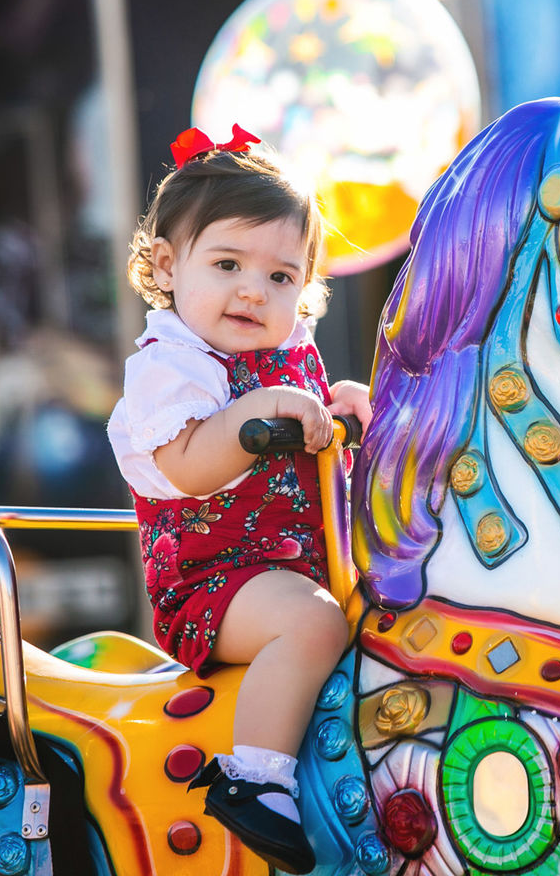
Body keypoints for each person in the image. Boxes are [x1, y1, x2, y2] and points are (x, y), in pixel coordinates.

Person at [107, 124, 369, 874]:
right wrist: (255, 417)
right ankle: (255, 780)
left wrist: (341, 407)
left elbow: (306, 428)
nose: (254, 290)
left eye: (281, 276)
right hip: (212, 585)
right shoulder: (172, 367)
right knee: (313, 625)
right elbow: (189, 465)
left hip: (301, 566)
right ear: (168, 265)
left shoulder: (282, 357)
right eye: (227, 264)